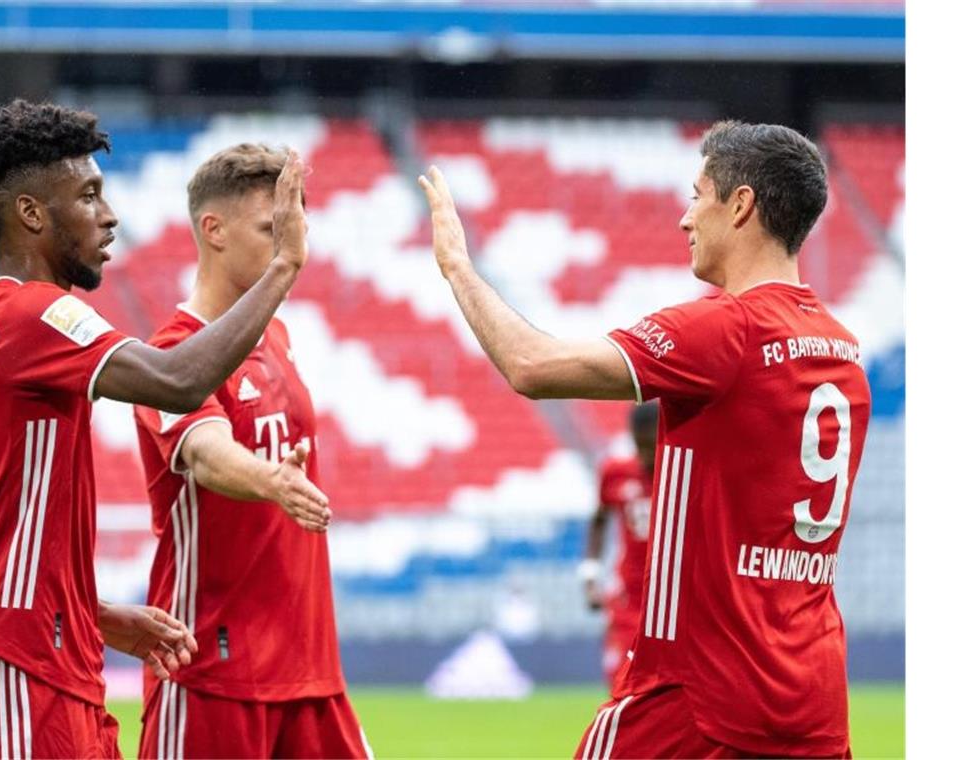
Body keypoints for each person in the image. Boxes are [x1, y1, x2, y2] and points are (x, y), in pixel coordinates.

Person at [419, 120, 870, 758]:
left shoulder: (725, 328)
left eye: (697, 194)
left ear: (739, 206)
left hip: (697, 694)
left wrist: (457, 268)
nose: (686, 219)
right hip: (812, 699)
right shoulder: (844, 352)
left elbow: (530, 365)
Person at [0, 100, 309, 759]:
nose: (110, 214)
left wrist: (89, 614)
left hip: (24, 653)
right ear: (32, 214)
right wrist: (283, 267)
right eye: (89, 195)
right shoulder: (35, 313)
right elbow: (179, 381)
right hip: (16, 661)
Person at [133, 143, 371, 759]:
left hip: (312, 671)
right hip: (212, 670)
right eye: (271, 228)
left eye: (294, 228)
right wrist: (271, 480)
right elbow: (207, 452)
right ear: (212, 230)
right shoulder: (169, 356)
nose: (292, 244)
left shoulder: (279, 337)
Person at [581, 402, 658, 691]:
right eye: (642, 448)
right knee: (622, 685)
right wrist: (590, 575)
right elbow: (599, 520)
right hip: (629, 597)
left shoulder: (686, 471)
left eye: (653, 447)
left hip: (675, 601)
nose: (647, 456)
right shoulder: (616, 472)